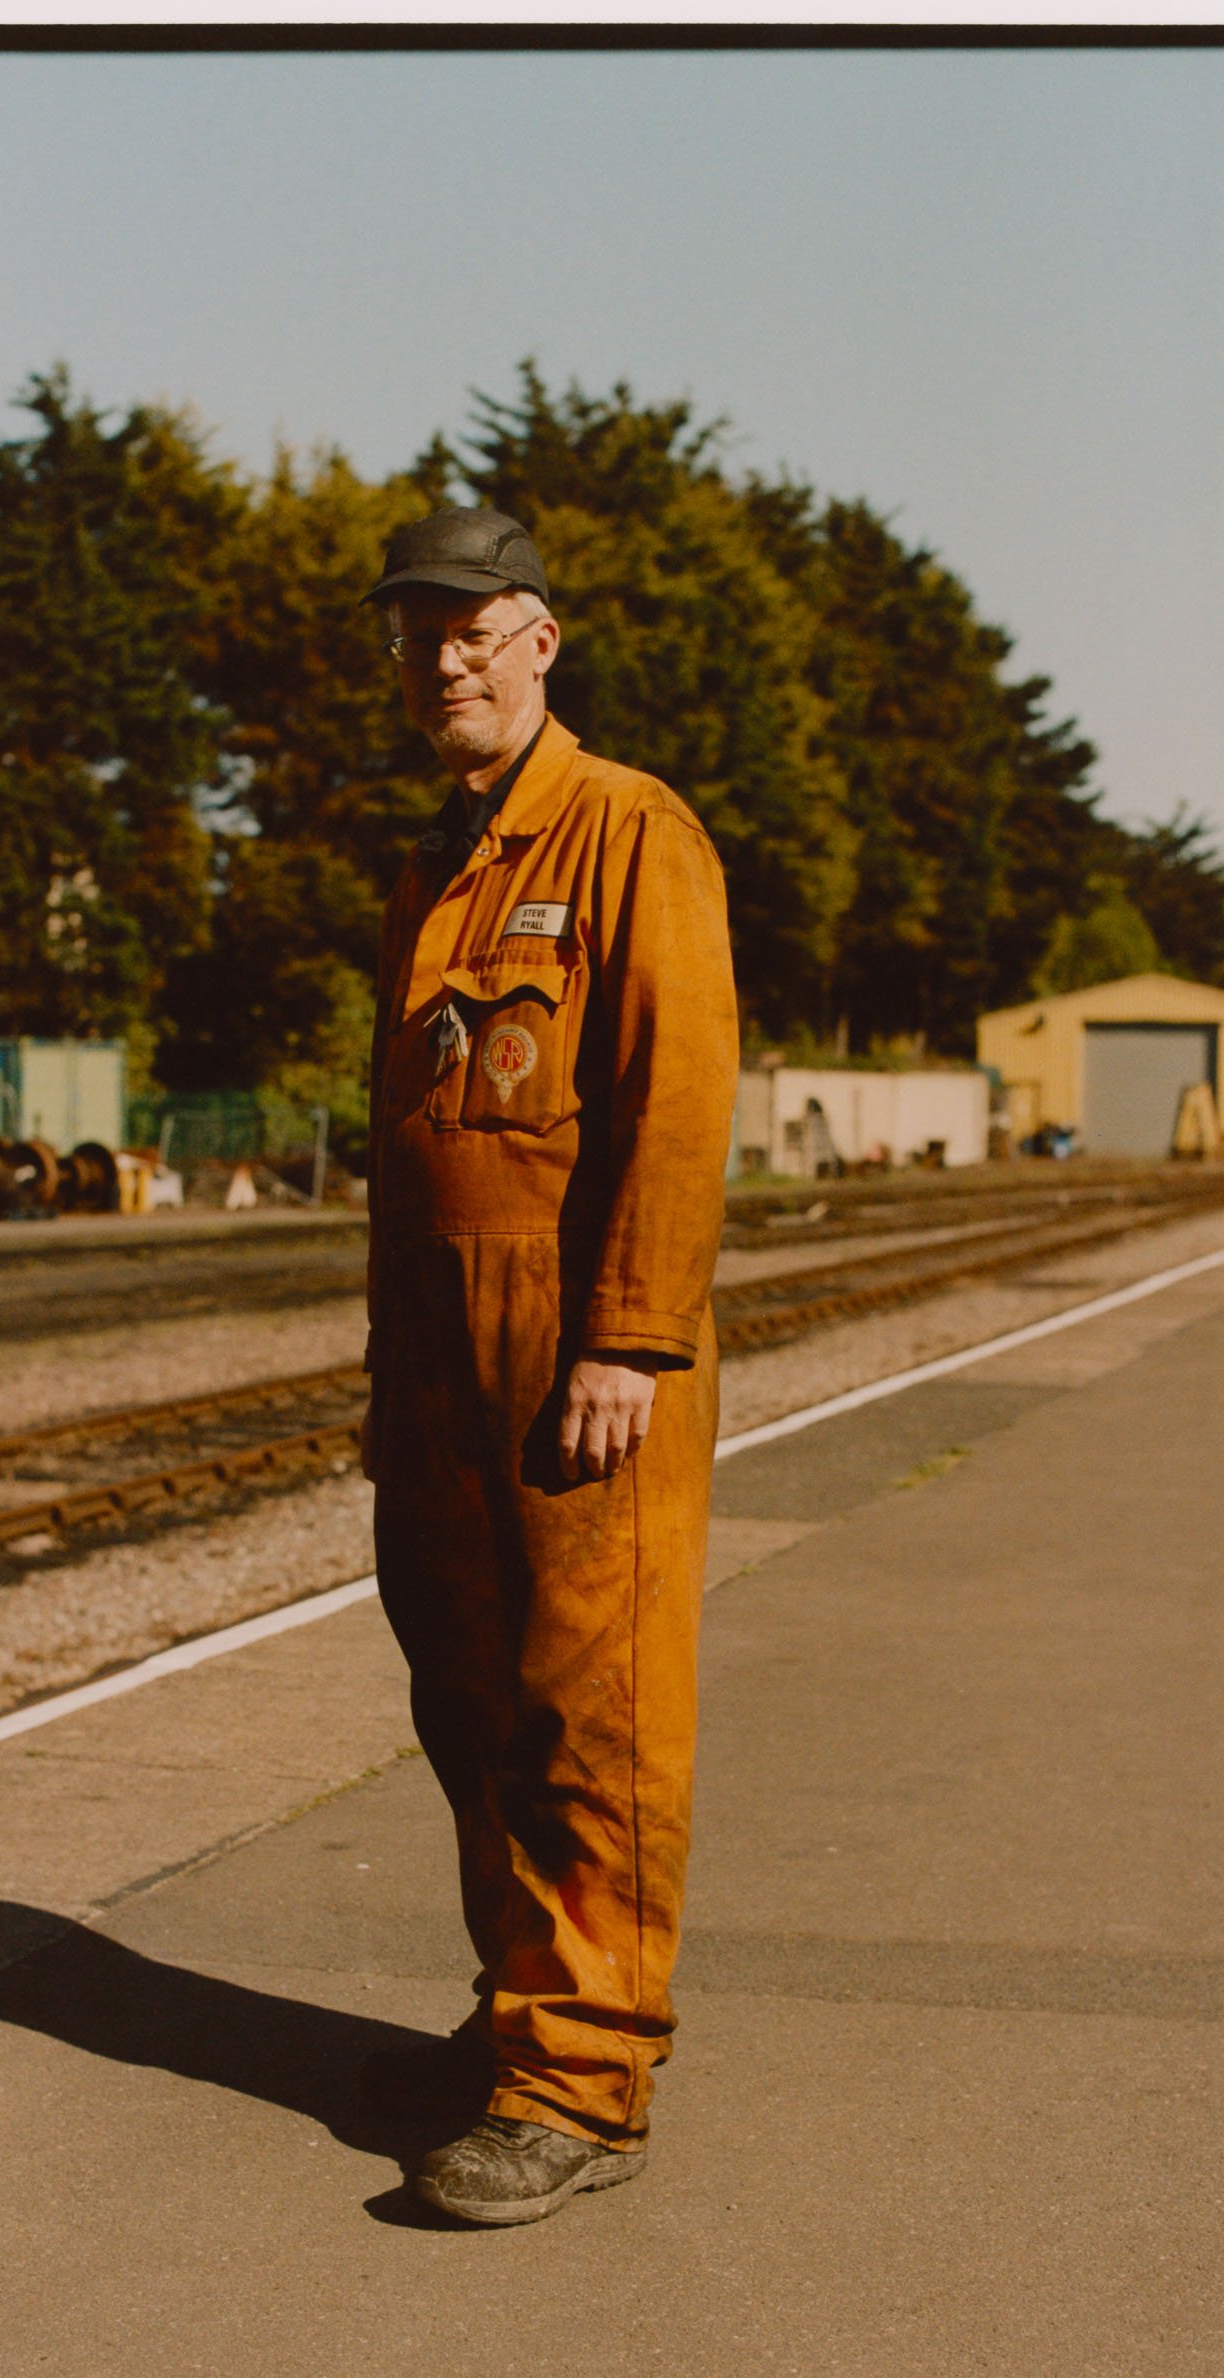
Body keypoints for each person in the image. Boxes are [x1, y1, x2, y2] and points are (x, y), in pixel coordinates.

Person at [357, 505, 739, 2227]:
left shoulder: (625, 829)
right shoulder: (443, 861)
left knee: (591, 1713)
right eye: (412, 631)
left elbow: (675, 1101)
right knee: (471, 1707)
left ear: (538, 641)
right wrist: (390, 1379)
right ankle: (519, 2014)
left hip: (578, 1349)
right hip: (444, 1356)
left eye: (469, 627)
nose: (439, 657)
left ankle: (585, 2082)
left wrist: (629, 1336)